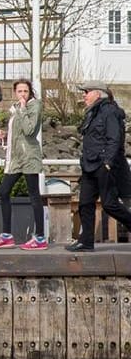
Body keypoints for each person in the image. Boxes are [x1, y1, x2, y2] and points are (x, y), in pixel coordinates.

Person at [69, 84, 130, 252]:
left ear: (99, 94)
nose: (84, 96)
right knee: (85, 203)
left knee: (110, 204)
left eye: (87, 92)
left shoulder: (109, 111)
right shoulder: (93, 112)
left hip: (104, 165)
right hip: (89, 164)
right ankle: (86, 242)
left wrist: (108, 163)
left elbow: (114, 138)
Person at [0, 79, 46, 250]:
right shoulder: (15, 109)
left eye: (25, 91)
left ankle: (40, 237)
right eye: (19, 91)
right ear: (15, 92)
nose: (22, 94)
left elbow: (29, 130)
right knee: (3, 192)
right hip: (15, 158)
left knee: (34, 195)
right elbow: (19, 133)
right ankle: (6, 235)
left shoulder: (34, 106)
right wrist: (5, 135)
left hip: (28, 157)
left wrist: (22, 109)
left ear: (30, 93)